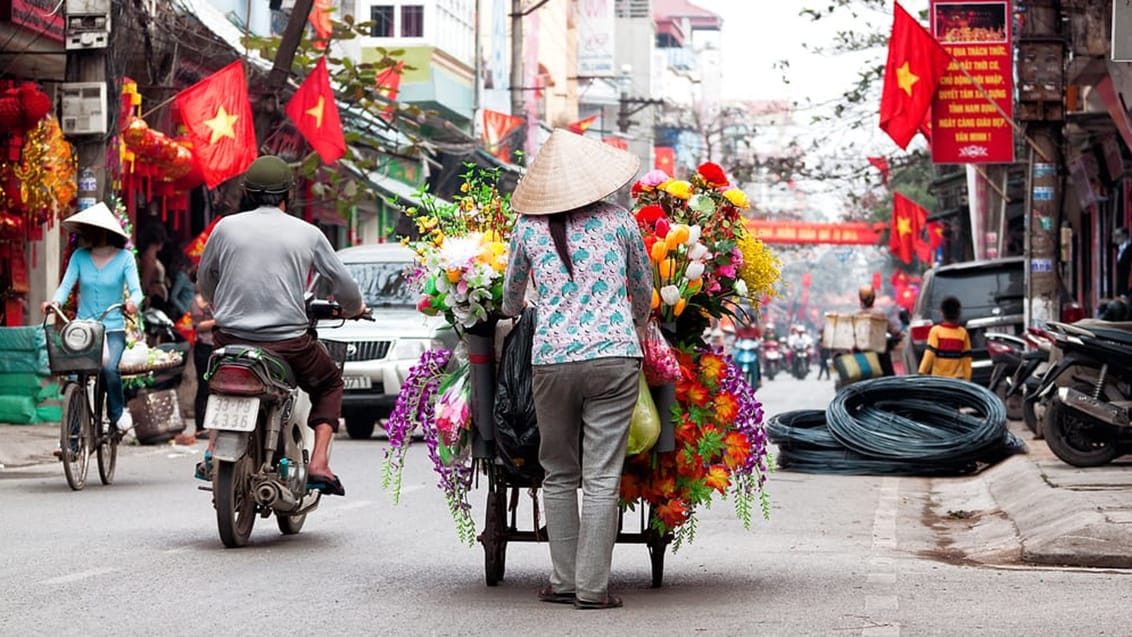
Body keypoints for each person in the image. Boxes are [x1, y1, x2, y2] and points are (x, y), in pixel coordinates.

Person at [501, 129, 650, 610]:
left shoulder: (527, 228)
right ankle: (592, 589)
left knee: (559, 472)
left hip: (551, 359)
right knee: (602, 477)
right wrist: (639, 324)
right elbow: (642, 287)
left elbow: (510, 297)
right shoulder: (620, 221)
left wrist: (522, 305)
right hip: (614, 356)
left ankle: (564, 582)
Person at [196, 155, 366, 496]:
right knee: (330, 382)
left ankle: (213, 450)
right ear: (288, 193)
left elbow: (206, 279)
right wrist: (355, 308)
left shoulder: (224, 228)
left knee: (218, 380)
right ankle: (318, 462)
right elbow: (344, 287)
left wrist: (223, 304)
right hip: (288, 344)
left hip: (230, 338)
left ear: (246, 191)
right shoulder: (308, 232)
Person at [43, 202, 142, 434]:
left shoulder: (125, 258)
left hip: (112, 329)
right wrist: (54, 302)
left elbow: (137, 292)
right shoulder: (79, 256)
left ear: (108, 231)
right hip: (83, 331)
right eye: (89, 229)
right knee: (74, 376)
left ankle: (117, 413)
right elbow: (66, 285)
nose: (92, 234)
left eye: (97, 229)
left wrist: (132, 304)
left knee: (109, 368)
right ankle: (73, 436)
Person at [917, 296, 972, 380]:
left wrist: (922, 372)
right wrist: (968, 379)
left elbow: (929, 353)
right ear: (959, 313)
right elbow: (966, 359)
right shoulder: (963, 333)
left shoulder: (936, 331)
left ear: (941, 312)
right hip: (957, 379)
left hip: (939, 378)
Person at [856, 285, 903, 376]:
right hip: (880, 352)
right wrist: (899, 335)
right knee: (889, 376)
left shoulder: (856, 315)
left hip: (861, 352)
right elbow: (892, 330)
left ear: (860, 299)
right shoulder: (880, 313)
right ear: (873, 298)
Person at [189, 289, 215, 439]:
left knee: (213, 386)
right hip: (203, 346)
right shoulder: (197, 301)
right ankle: (200, 426)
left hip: (215, 345)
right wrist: (216, 321)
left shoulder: (215, 298)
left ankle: (210, 423)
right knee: (203, 386)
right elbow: (197, 326)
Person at [1114, 227, 1131, 298]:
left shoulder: (1129, 248)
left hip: (1127, 286)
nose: (1116, 239)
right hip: (1121, 287)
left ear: (1124, 236)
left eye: (1118, 236)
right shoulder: (1120, 248)